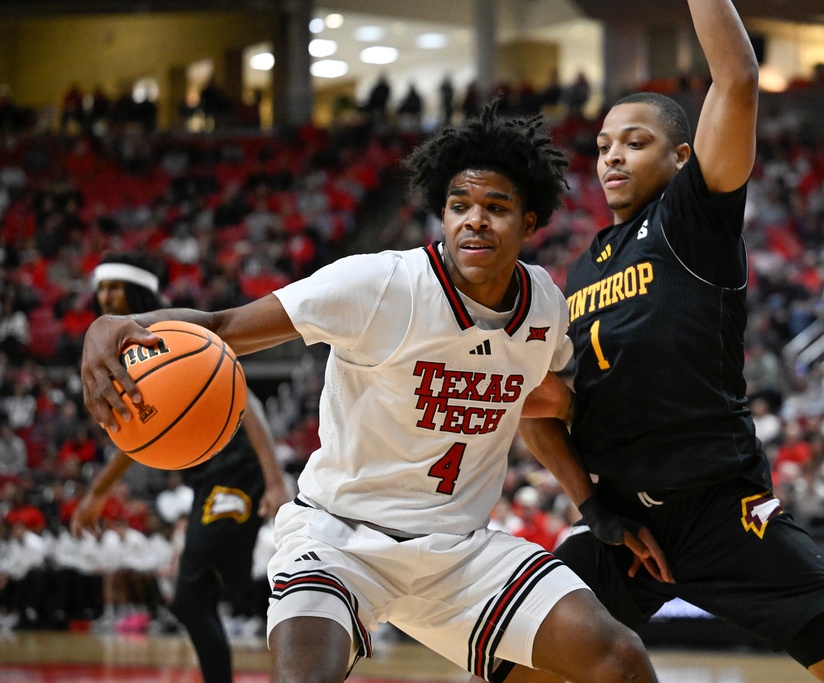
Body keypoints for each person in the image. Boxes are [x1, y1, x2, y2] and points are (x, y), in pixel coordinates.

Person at [80, 104, 662, 683]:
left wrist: (591, 505)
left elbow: (530, 404)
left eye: (496, 208)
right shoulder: (379, 284)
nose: (474, 221)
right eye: (459, 207)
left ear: (530, 224)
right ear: (442, 215)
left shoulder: (544, 306)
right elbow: (225, 326)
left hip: (460, 551)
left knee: (620, 659)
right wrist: (112, 328)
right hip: (339, 538)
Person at [499, 1, 824, 682]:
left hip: (722, 507)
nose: (611, 157)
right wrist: (592, 505)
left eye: (633, 141)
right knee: (515, 657)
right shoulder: (579, 270)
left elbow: (738, 79)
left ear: (682, 155)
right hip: (630, 522)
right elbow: (536, 404)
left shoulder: (692, 218)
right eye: (602, 146)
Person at [71, 252, 290, 683]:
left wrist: (275, 479)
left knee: (194, 597)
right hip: (207, 480)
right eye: (101, 290)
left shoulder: (169, 332)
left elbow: (250, 400)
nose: (107, 297)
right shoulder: (119, 348)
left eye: (115, 287)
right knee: (201, 595)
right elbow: (135, 437)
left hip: (237, 471)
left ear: (139, 289)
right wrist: (97, 493)